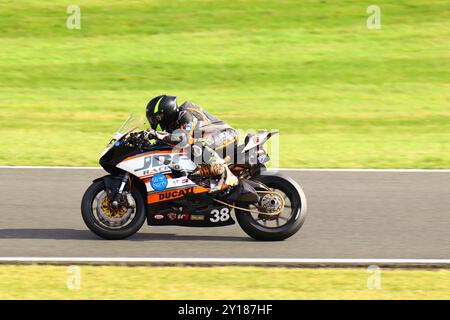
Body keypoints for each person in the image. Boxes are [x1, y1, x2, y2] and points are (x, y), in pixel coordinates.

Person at [145, 94, 239, 192]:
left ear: (165, 113)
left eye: (156, 119)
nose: (154, 123)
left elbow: (185, 138)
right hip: (212, 142)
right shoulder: (172, 125)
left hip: (226, 135)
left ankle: (228, 176)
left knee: (197, 145)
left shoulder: (185, 113)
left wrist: (159, 135)